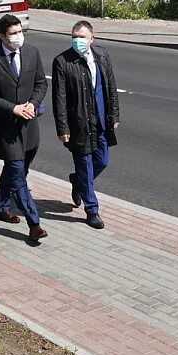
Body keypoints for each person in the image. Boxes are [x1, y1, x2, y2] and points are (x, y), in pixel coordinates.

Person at [0, 14, 48, 245]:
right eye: (13, 34)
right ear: (2, 36)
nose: (18, 37)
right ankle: (34, 223)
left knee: (17, 170)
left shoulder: (32, 52)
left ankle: (0, 207)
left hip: (29, 127)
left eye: (20, 32)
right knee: (17, 173)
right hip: (5, 128)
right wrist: (12, 108)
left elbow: (40, 83)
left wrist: (33, 104)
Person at [52, 20, 120, 230]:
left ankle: (78, 181)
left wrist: (114, 115)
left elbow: (110, 85)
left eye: (82, 36)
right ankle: (92, 210)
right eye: (74, 36)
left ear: (92, 38)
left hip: (100, 121)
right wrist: (63, 128)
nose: (77, 40)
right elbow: (59, 98)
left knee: (102, 160)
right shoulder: (63, 62)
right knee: (85, 165)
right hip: (78, 123)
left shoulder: (102, 55)